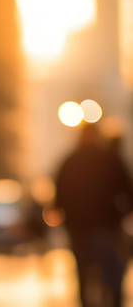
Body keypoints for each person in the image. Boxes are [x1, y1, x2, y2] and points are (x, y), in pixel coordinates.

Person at [56, 123, 133, 307]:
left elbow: (59, 194)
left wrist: (66, 219)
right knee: (111, 271)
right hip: (106, 225)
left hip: (80, 227)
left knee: (83, 271)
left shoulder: (70, 160)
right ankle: (114, 301)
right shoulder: (109, 158)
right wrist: (123, 213)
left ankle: (86, 302)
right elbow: (127, 188)